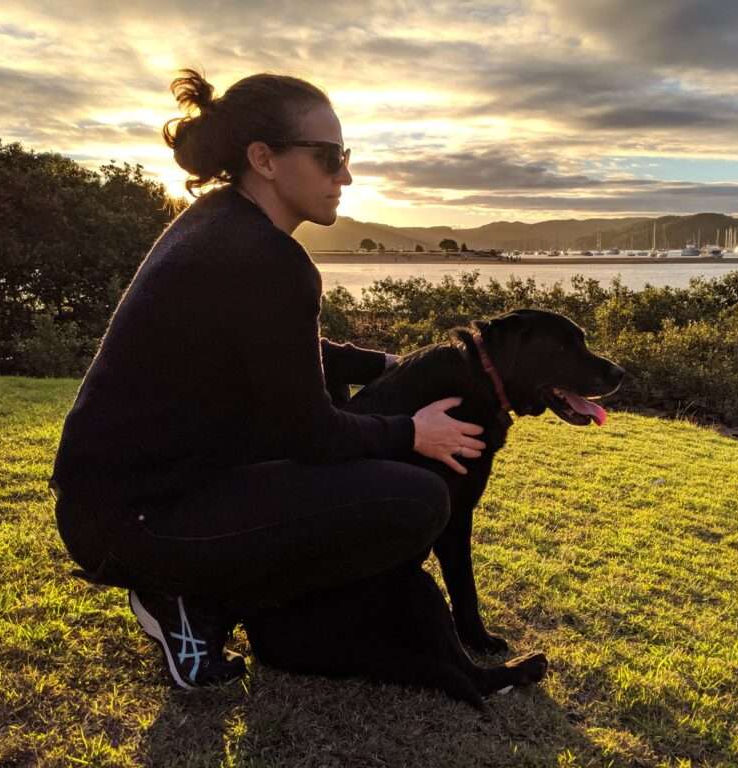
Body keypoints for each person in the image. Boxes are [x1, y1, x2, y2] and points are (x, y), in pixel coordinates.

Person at [49, 69, 486, 689]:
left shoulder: (220, 223)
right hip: (139, 519)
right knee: (416, 501)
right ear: (265, 159)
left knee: (357, 473)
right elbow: (311, 434)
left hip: (117, 503)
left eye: (346, 156)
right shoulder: (264, 257)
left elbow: (285, 349)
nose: (347, 176)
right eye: (330, 157)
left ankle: (218, 591)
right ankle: (195, 601)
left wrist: (383, 365)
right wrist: (412, 432)